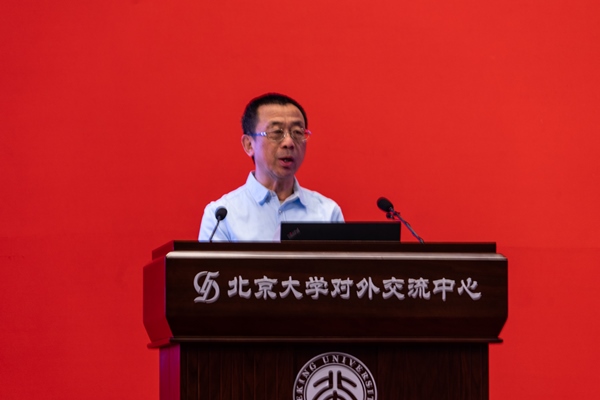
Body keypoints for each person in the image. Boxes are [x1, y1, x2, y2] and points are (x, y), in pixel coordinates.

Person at [198, 93, 344, 241]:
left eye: (297, 132)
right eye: (276, 132)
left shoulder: (327, 213)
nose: (289, 142)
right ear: (249, 145)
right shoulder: (222, 216)